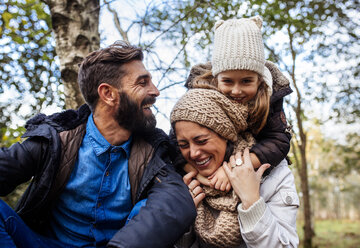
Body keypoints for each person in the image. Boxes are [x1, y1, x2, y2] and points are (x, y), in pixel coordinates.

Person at [0, 41, 196, 247]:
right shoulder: (56, 139)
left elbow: (173, 201)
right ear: (108, 94)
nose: (155, 91)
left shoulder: (154, 149)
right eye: (142, 82)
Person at [170, 88, 299, 247]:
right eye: (183, 145)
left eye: (202, 141)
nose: (194, 153)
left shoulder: (271, 173)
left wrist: (251, 201)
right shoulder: (180, 181)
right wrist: (183, 218)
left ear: (226, 135)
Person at [181, 16, 292, 192]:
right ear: (216, 79)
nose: (236, 91)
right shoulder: (201, 98)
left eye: (247, 81)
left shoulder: (269, 98)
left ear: (259, 80)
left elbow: (278, 142)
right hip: (203, 170)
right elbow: (175, 141)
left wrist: (234, 169)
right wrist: (195, 171)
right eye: (228, 81)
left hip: (250, 169)